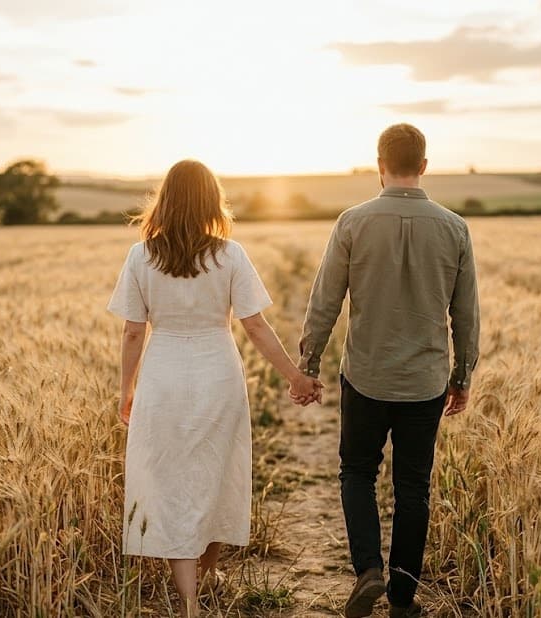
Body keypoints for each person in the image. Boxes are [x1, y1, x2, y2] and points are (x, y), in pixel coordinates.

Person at [107, 159, 323, 618]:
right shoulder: (231, 254)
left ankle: (189, 601)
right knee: (217, 474)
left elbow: (132, 331)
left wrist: (126, 389)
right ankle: (203, 577)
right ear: (212, 200)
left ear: (164, 200)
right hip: (218, 374)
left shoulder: (140, 255)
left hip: (163, 375)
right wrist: (295, 377)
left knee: (169, 483)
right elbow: (256, 326)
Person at [296, 124, 480, 618]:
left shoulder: (352, 222)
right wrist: (462, 377)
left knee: (357, 472)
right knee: (413, 485)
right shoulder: (454, 227)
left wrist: (309, 363)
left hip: (366, 377)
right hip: (425, 382)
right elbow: (465, 315)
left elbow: (325, 301)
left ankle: (367, 571)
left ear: (379, 164)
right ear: (424, 165)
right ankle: (401, 597)